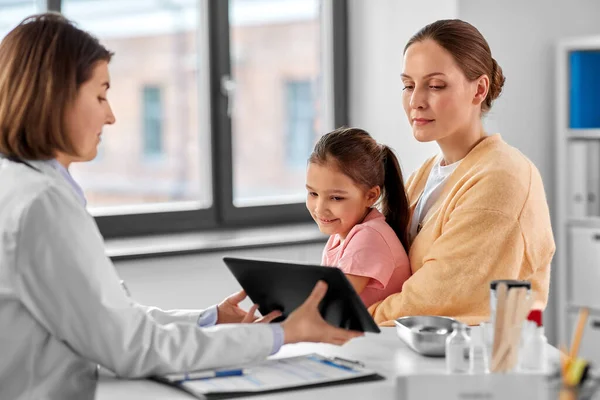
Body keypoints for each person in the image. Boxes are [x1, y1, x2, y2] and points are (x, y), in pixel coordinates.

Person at [0, 13, 362, 400]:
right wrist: (280, 334)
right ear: (57, 97)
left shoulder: (20, 186)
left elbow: (112, 320)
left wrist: (211, 318)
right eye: (101, 94)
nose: (111, 114)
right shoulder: (43, 204)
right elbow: (130, 346)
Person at [368, 19, 555, 326]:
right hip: (414, 355)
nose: (415, 101)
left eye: (435, 86)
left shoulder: (502, 179)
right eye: (408, 85)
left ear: (479, 89)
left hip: (479, 365)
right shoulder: (426, 174)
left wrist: (343, 319)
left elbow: (435, 301)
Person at [306, 127, 411, 308]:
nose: (320, 208)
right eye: (313, 193)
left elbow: (331, 305)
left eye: (336, 198)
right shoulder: (339, 237)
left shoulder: (370, 236)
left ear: (371, 196)